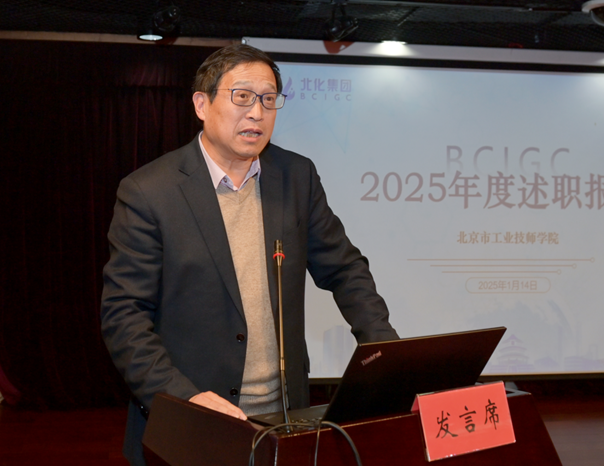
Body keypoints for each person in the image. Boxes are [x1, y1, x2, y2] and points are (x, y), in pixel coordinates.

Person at [100, 44, 399, 466]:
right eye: (242, 97)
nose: (257, 112)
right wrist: (184, 397)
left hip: (285, 421)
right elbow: (124, 315)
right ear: (201, 104)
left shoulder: (296, 176)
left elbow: (345, 268)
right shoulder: (149, 192)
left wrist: (384, 353)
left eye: (268, 99)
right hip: (195, 421)